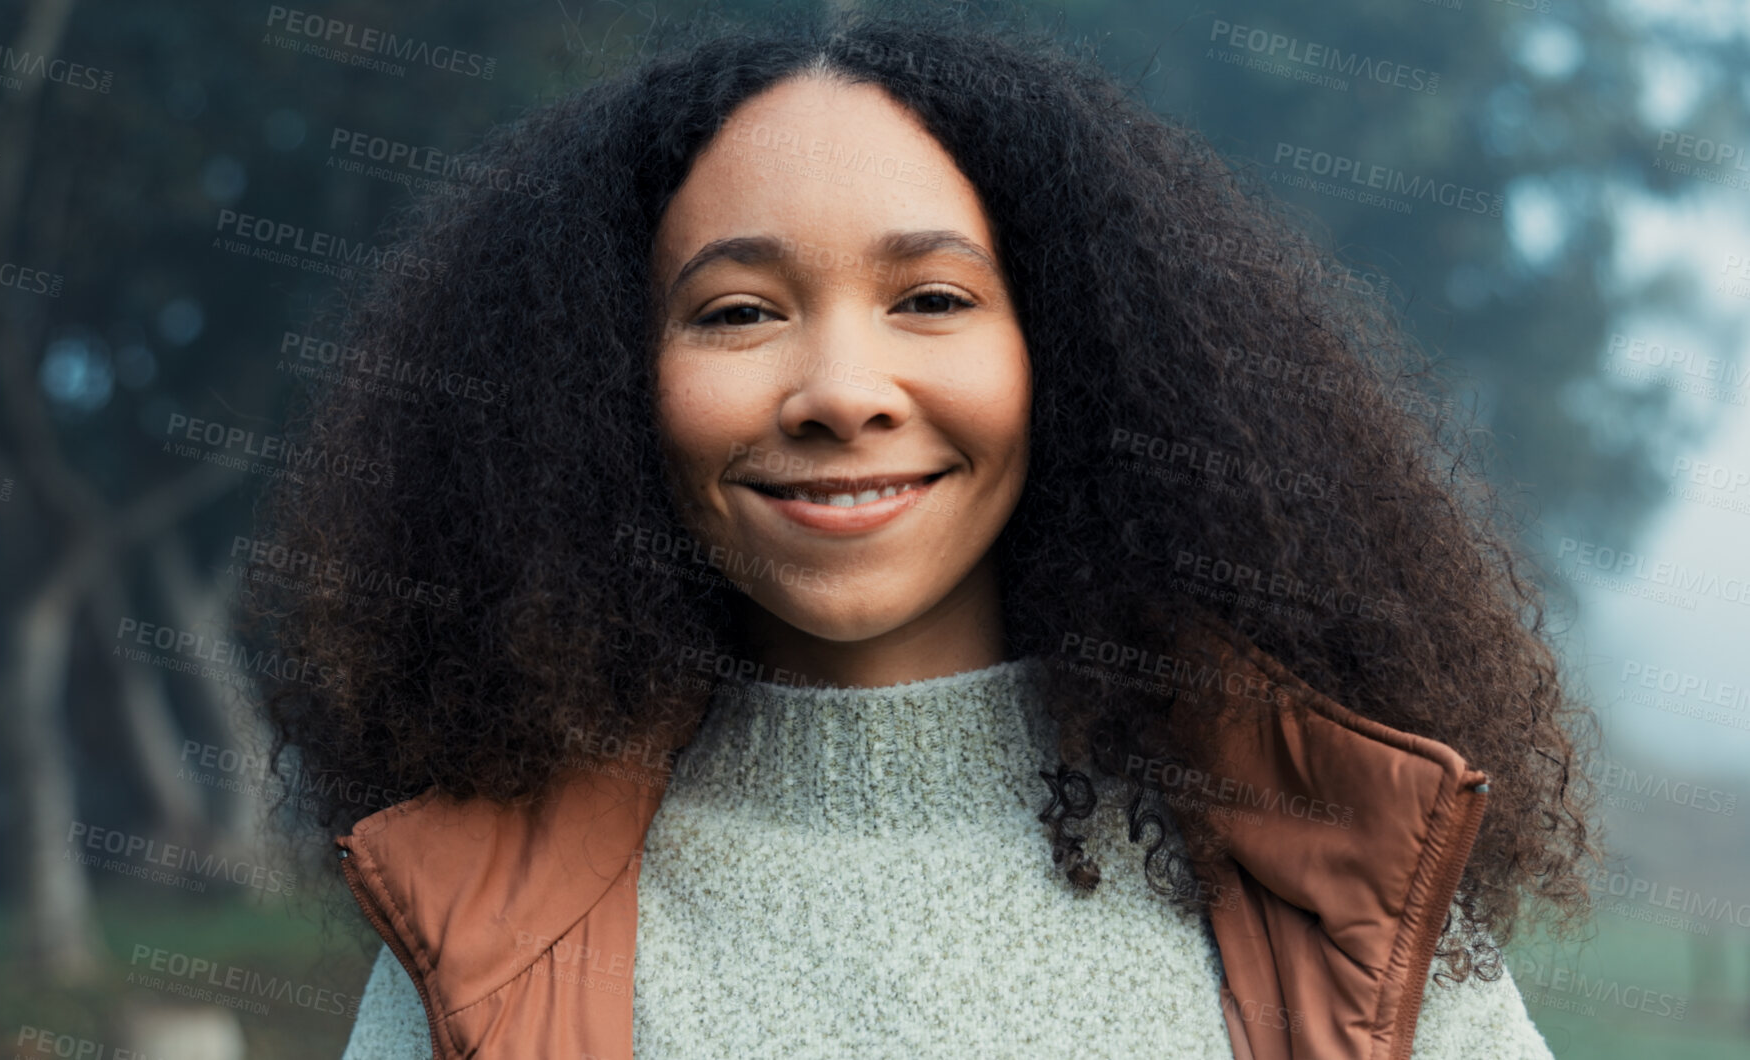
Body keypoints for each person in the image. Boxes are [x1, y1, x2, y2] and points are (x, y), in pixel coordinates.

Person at [252, 9, 1596, 1059]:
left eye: (933, 298)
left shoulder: (1326, 876)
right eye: (736, 311)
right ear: (599, 386)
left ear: (1073, 353)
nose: (841, 391)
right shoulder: (493, 928)